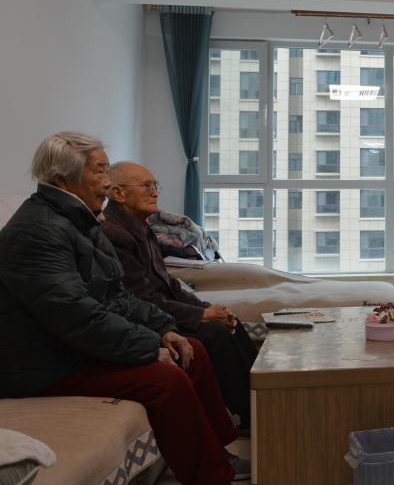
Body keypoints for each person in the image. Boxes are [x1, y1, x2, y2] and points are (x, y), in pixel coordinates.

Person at [0, 132, 249, 485]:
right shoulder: (37, 232)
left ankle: (219, 451)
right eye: (99, 171)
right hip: (45, 367)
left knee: (190, 348)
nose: (106, 182)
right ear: (62, 179)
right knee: (165, 379)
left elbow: (117, 295)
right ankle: (213, 475)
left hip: (71, 349)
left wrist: (163, 329)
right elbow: (76, 315)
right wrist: (147, 347)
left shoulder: (81, 222)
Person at [103, 161, 257, 431]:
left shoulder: (143, 228)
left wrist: (207, 308)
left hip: (162, 310)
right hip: (146, 320)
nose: (155, 192)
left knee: (232, 324)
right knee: (216, 334)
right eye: (146, 186)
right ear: (118, 193)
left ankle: (261, 400)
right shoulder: (114, 235)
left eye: (155, 185)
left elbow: (170, 286)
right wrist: (201, 316)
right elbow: (142, 298)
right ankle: (249, 414)